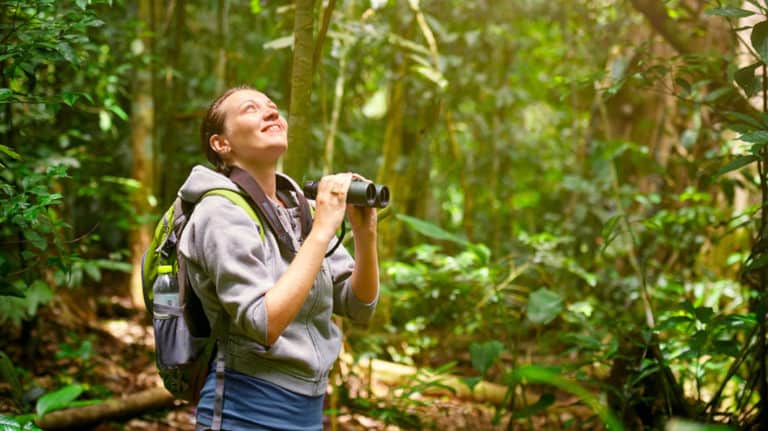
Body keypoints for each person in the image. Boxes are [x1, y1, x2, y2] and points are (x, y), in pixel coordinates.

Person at [177, 85, 379, 430]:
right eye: (250, 109)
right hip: (244, 411)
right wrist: (322, 230)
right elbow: (262, 323)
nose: (271, 112)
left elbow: (359, 306)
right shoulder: (219, 211)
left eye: (272, 106)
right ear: (221, 144)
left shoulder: (300, 209)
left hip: (308, 412)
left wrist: (365, 233)